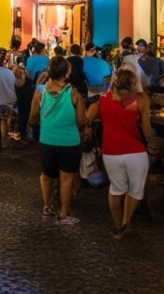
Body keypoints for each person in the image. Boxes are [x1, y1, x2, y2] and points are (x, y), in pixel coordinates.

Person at [86, 69, 152, 239]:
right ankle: (126, 223)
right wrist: (149, 139)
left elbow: (87, 119)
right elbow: (146, 131)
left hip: (111, 152)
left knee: (116, 189)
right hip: (136, 152)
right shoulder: (141, 99)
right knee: (135, 190)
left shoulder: (102, 100)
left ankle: (117, 225)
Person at [29, 56, 86, 225]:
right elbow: (81, 121)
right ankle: (64, 213)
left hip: (47, 140)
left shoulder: (40, 92)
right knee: (66, 179)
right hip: (69, 142)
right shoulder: (74, 94)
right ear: (67, 73)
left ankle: (47, 206)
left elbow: (32, 119)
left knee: (47, 176)